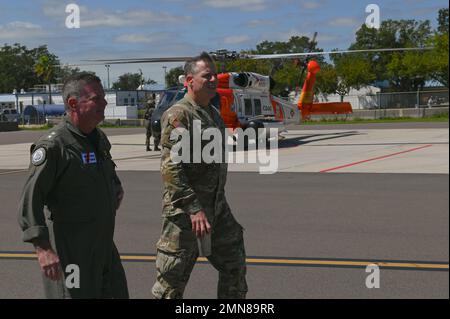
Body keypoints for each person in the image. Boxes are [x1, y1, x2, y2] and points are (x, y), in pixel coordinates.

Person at [18, 73, 129, 299]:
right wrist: (43, 249)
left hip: (104, 247)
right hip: (73, 253)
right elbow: (30, 199)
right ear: (73, 103)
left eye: (103, 97)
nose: (105, 103)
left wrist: (115, 187)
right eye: (96, 99)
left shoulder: (97, 138)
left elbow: (105, 171)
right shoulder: (54, 146)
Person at [152, 52, 248, 299]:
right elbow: (171, 167)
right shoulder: (179, 115)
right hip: (187, 214)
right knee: (171, 282)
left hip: (215, 208)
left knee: (234, 264)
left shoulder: (213, 114)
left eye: (215, 74)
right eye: (207, 75)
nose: (214, 79)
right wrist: (193, 208)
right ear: (189, 81)